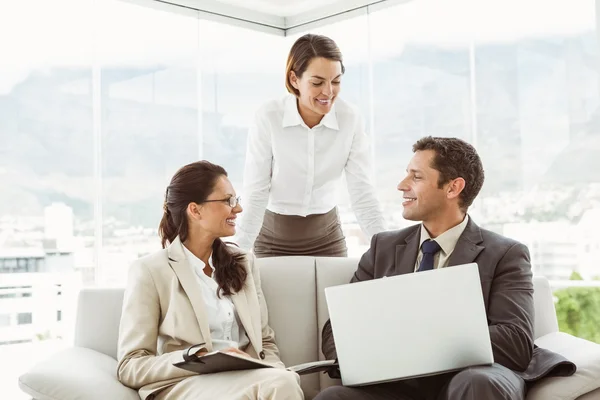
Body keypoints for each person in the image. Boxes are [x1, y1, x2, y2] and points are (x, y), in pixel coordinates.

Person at [317, 137, 574, 400]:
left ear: (453, 188)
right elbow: (336, 327)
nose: (401, 185)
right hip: (398, 386)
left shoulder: (505, 254)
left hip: (473, 378)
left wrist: (421, 340)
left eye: (415, 177)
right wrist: (362, 359)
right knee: (333, 398)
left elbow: (515, 340)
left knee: (476, 382)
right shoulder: (383, 246)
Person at [116, 161, 304, 400]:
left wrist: (272, 370)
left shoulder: (243, 263)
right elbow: (130, 365)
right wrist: (195, 357)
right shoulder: (150, 271)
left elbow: (264, 342)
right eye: (228, 201)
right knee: (279, 384)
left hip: (247, 380)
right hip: (185, 384)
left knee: (282, 380)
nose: (238, 209)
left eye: (236, 200)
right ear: (195, 210)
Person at [236, 33, 386, 258]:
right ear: (294, 79)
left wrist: (386, 247)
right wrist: (238, 250)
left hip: (327, 238)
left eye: (335, 81)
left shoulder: (350, 118)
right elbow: (256, 192)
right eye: (317, 83)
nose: (328, 92)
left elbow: (362, 191)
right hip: (272, 239)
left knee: (335, 294)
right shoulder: (269, 117)